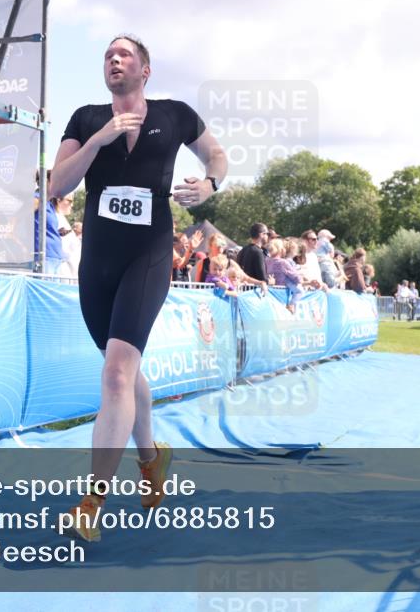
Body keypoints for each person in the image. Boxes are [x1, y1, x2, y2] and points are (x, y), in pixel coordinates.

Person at [48, 34, 226, 541]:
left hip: (148, 253)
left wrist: (210, 185)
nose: (114, 60)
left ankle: (90, 504)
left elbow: (216, 155)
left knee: (118, 375)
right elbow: (56, 185)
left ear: (145, 69)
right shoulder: (85, 119)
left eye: (124, 54)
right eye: (108, 55)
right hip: (98, 262)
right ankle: (151, 459)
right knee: (120, 371)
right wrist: (100, 139)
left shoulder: (175, 114)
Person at [34, 171, 67, 275]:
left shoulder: (49, 204)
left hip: (54, 257)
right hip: (44, 257)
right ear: (46, 182)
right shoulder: (36, 199)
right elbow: (21, 220)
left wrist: (57, 232)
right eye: (57, 180)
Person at [266, 238, 304, 313]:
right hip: (283, 285)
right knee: (300, 291)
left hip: (273, 287)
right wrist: (300, 279)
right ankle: (291, 305)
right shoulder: (283, 262)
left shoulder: (267, 260)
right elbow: (294, 275)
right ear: (282, 249)